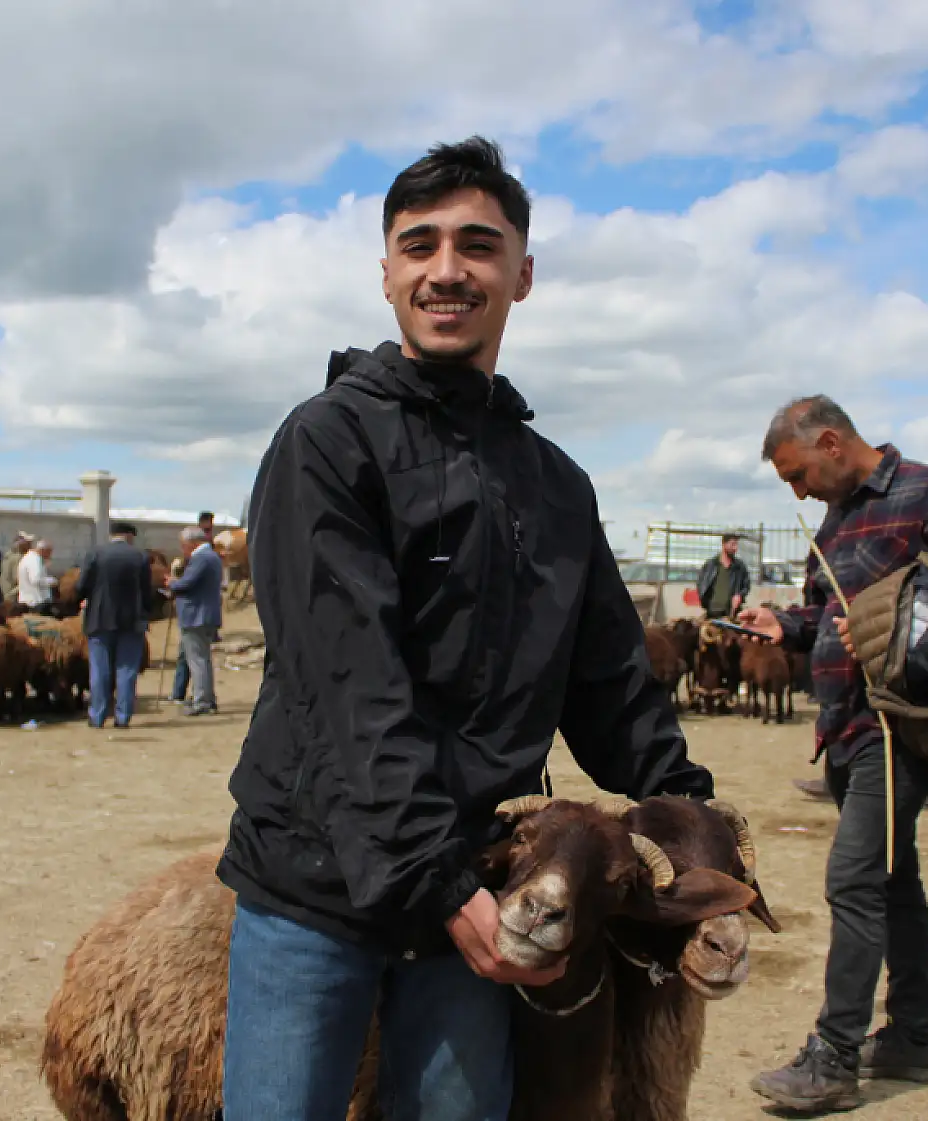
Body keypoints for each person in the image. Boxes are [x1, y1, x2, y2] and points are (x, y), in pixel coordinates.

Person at [214, 137, 716, 1121]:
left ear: (520, 274)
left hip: (477, 887)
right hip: (317, 881)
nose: (447, 269)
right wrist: (437, 885)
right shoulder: (327, 440)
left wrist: (696, 834)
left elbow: (611, 683)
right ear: (388, 273)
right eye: (419, 245)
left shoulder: (555, 482)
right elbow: (346, 687)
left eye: (477, 246)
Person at [736, 395, 928, 1114]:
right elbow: (825, 618)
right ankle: (914, 1039)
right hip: (842, 728)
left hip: (899, 729)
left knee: (853, 879)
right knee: (893, 880)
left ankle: (834, 1055)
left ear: (831, 442)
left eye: (799, 473)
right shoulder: (831, 521)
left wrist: (903, 618)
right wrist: (787, 624)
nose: (798, 492)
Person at [75, 521, 156, 729]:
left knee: (99, 670)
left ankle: (98, 715)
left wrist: (87, 598)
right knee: (127, 670)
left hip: (99, 619)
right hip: (132, 622)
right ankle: (122, 716)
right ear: (130, 536)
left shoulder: (96, 554)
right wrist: (147, 613)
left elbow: (81, 586)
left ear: (112, 535)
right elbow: (147, 592)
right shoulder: (140, 557)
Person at [168, 526, 222, 716]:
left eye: (184, 545)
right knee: (203, 659)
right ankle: (207, 698)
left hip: (196, 616)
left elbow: (186, 583)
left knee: (197, 660)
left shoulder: (201, 558)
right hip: (205, 614)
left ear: (193, 543)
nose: (183, 549)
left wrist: (171, 583)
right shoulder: (212, 556)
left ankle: (202, 701)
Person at [697, 533, 750, 619]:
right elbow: (701, 584)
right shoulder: (711, 565)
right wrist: (705, 601)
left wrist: (739, 595)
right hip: (712, 612)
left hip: (731, 613)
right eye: (732, 544)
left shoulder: (740, 567)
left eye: (736, 545)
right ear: (724, 544)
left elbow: (746, 586)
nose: (735, 548)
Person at [17, 539, 58, 612]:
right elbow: (35, 580)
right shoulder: (34, 560)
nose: (50, 555)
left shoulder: (29, 557)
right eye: (49, 552)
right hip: (36, 602)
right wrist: (52, 581)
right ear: (43, 550)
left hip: (30, 600)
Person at [0, 531, 33, 603]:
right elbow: (18, 579)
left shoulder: (8, 555)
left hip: (6, 594)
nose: (31, 545)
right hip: (13, 597)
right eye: (28, 543)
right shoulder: (18, 558)